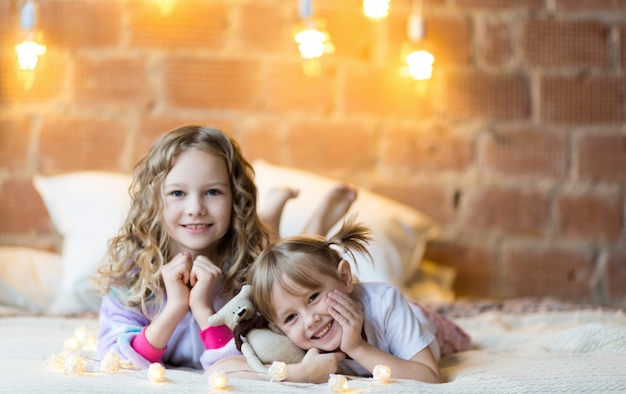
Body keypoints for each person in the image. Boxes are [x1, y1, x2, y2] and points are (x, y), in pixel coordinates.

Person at [92, 124, 358, 371]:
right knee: (275, 246)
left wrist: (203, 309)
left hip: (262, 251)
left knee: (292, 260)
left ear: (236, 199)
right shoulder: (133, 272)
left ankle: (312, 226)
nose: (195, 209)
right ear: (154, 202)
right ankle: (274, 212)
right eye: (177, 193)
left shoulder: (251, 268)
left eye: (213, 192)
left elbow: (261, 355)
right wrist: (174, 307)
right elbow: (114, 360)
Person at [210, 219, 471, 384]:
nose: (310, 320)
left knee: (461, 341)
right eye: (291, 317)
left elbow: (431, 377)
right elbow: (221, 370)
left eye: (313, 297)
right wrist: (298, 373)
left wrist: (356, 347)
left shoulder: (386, 304)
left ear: (345, 278)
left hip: (420, 319)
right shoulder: (292, 338)